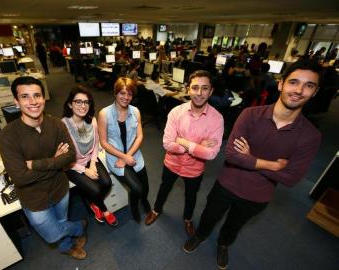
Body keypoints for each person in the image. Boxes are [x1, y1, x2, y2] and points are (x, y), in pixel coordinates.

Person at [183, 59, 323, 270]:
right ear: (281, 84)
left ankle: (223, 244)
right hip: (226, 185)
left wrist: (250, 158)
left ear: (315, 92)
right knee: (209, 217)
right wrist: (273, 165)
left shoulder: (311, 136)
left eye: (309, 85)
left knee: (234, 226)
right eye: (294, 82)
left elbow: (291, 178)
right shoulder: (250, 115)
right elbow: (231, 155)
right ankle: (200, 236)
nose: (299, 90)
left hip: (258, 196)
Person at [0, 76, 87, 260]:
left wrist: (37, 164)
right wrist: (55, 160)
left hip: (59, 189)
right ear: (16, 101)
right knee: (52, 234)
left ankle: (67, 246)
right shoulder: (8, 136)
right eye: (25, 96)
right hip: (34, 198)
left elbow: (70, 156)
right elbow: (20, 177)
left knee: (61, 221)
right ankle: (78, 227)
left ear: (43, 98)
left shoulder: (56, 124)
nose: (33, 102)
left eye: (37, 95)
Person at [145, 70, 224, 236]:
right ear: (188, 89)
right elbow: (167, 143)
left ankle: (188, 219)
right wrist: (198, 146)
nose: (199, 93)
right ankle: (156, 210)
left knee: (191, 196)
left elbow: (211, 154)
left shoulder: (217, 119)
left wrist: (183, 141)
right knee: (164, 188)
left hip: (194, 170)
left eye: (204, 88)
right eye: (195, 88)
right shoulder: (176, 112)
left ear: (211, 91)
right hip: (171, 163)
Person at [62, 86, 118, 226]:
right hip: (72, 165)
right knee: (96, 189)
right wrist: (85, 170)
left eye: (86, 102)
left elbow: (96, 144)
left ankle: (93, 203)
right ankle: (104, 210)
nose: (83, 106)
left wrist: (92, 164)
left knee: (107, 183)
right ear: (70, 104)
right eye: (78, 102)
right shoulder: (62, 126)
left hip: (90, 159)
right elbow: (63, 159)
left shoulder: (92, 120)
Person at [98, 77, 151, 222]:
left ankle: (144, 201)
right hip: (115, 158)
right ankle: (134, 207)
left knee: (145, 188)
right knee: (137, 189)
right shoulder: (104, 114)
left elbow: (140, 136)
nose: (126, 97)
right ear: (115, 93)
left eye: (129, 94)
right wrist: (122, 157)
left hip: (133, 154)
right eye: (122, 93)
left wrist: (127, 156)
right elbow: (103, 142)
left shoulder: (135, 111)